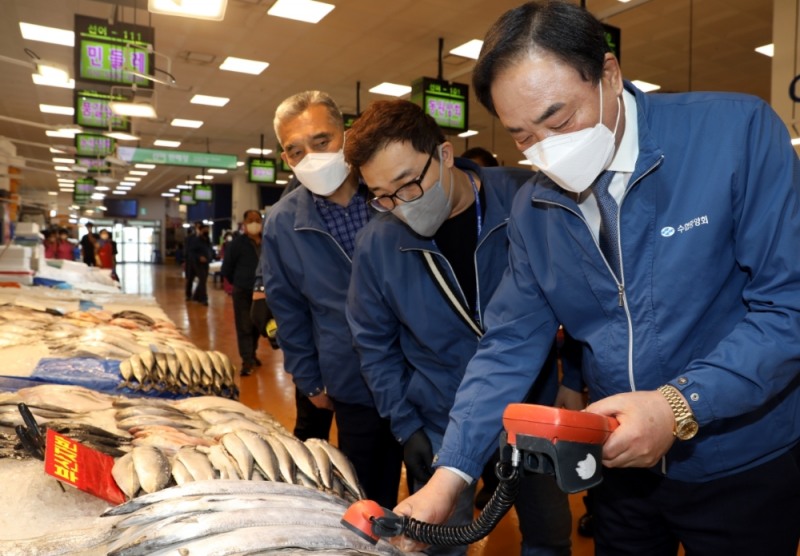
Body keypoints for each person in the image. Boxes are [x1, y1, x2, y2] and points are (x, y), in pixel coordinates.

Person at [397, 3, 800, 556]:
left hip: (739, 461)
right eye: (522, 136)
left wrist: (679, 405)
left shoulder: (734, 134)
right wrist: (453, 475)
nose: (545, 148)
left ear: (608, 75)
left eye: (559, 120)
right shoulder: (533, 210)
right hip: (617, 467)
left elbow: (788, 307)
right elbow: (509, 344)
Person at [344, 99, 578, 556]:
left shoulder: (527, 199)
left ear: (445, 155)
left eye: (409, 183)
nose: (401, 205)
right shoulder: (379, 243)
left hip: (530, 410)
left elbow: (579, 295)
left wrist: (576, 376)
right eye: (383, 196)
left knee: (549, 532)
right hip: (440, 419)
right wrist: (406, 426)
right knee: (437, 539)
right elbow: (374, 344)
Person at [259, 90, 403, 509]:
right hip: (350, 375)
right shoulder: (284, 223)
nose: (312, 157)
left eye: (322, 141)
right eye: (296, 150)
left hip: (420, 369)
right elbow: (288, 308)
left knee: (435, 485)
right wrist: (309, 378)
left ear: (347, 135)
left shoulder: (392, 197)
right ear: (286, 159)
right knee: (365, 489)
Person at [221, 210, 263, 376]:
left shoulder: (268, 242)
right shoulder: (237, 244)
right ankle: (246, 360)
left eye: (257, 219)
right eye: (250, 220)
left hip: (262, 292)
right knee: (244, 325)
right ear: (244, 223)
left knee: (258, 325)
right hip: (243, 291)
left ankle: (252, 353)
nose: (254, 223)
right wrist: (238, 283)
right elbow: (227, 269)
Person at [188, 223, 213, 306]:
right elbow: (191, 252)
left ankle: (196, 296)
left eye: (208, 229)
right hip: (198, 263)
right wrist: (199, 257)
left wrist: (210, 257)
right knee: (202, 280)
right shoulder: (196, 240)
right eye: (205, 229)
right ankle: (204, 299)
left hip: (206, 262)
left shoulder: (208, 240)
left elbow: (209, 250)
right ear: (201, 230)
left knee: (203, 280)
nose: (207, 231)